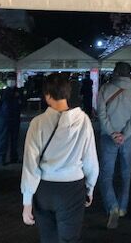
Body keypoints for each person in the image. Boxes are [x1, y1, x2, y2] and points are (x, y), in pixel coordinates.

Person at [21, 75, 99, 243]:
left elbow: (30, 164)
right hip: (73, 188)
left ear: (47, 95)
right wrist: (90, 188)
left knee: (48, 238)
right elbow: (90, 158)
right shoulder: (83, 121)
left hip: (45, 188)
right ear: (67, 93)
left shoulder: (37, 123)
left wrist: (27, 201)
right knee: (69, 239)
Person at [97, 62, 131, 229]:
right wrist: (125, 134)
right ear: (129, 73)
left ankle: (112, 205)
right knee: (126, 172)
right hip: (127, 138)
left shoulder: (105, 89)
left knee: (106, 174)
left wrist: (112, 133)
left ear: (115, 72)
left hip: (108, 136)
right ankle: (123, 206)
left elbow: (101, 113)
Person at [0, 75, 24, 165]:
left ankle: (14, 157)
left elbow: (22, 102)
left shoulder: (19, 91)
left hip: (15, 117)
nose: (11, 81)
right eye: (10, 79)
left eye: (12, 79)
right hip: (5, 118)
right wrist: (1, 113)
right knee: (3, 138)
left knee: (14, 138)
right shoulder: (2, 92)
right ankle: (2, 158)